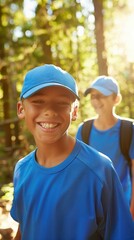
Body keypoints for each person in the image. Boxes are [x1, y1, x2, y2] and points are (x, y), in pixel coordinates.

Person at [10, 65, 134, 240]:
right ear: (21, 108)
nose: (50, 111)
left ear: (74, 111)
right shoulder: (21, 169)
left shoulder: (100, 170)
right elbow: (25, 226)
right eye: (38, 101)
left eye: (61, 103)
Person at [76, 75, 134, 219]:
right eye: (93, 96)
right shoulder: (84, 130)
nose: (96, 101)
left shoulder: (129, 129)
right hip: (92, 211)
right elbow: (78, 172)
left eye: (102, 96)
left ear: (116, 99)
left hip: (122, 208)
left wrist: (131, 213)